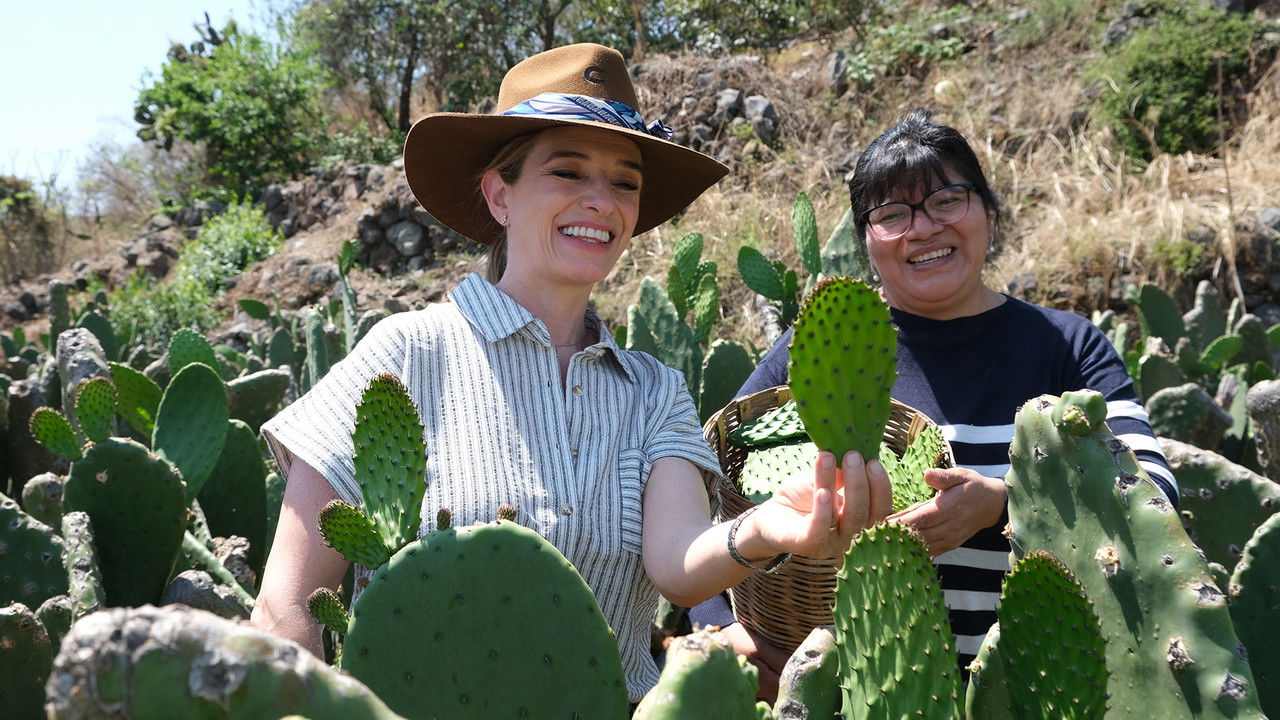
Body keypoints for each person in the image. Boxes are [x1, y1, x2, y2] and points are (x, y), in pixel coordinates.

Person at [250, 43, 894, 703]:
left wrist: (762, 528)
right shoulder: (403, 357)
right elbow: (285, 612)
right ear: (500, 195)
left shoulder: (653, 389)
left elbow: (675, 564)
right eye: (567, 172)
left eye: (625, 182)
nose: (601, 202)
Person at [691, 107, 1178, 698]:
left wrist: (1002, 505)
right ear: (866, 241)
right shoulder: (828, 344)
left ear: (987, 210)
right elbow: (705, 490)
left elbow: (1154, 497)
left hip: (1036, 691)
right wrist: (715, 625)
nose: (922, 229)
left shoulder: (1067, 347)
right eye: (892, 214)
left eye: (947, 199)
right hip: (857, 694)